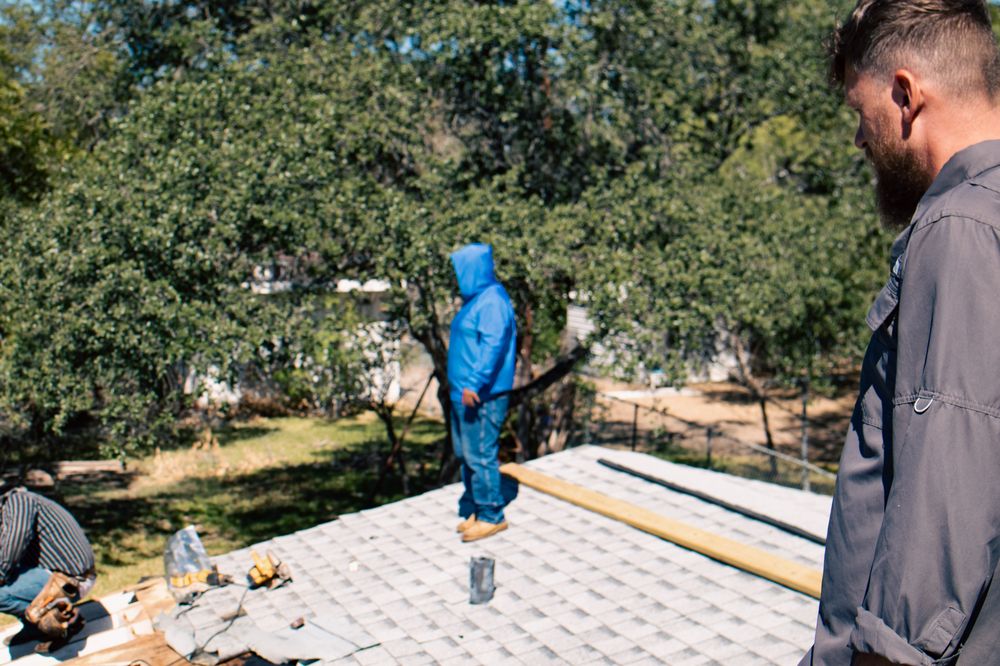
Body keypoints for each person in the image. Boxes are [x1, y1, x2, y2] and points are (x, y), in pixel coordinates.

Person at [803, 1, 1000, 663]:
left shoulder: (960, 226)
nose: (860, 139)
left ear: (907, 94)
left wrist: (884, 652)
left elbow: (953, 454)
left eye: (862, 115)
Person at [447, 243, 518, 543]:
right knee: (467, 454)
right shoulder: (477, 300)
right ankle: (477, 507)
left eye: (461, 271)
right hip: (463, 393)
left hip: (481, 395)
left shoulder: (492, 302)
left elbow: (492, 347)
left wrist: (473, 384)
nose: (457, 278)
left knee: (481, 454)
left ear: (474, 270)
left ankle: (492, 515)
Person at [0, 487, 96, 644]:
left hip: (70, 581)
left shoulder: (19, 502)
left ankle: (66, 619)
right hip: (56, 576)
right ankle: (34, 624)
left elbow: (12, 548)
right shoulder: (10, 508)